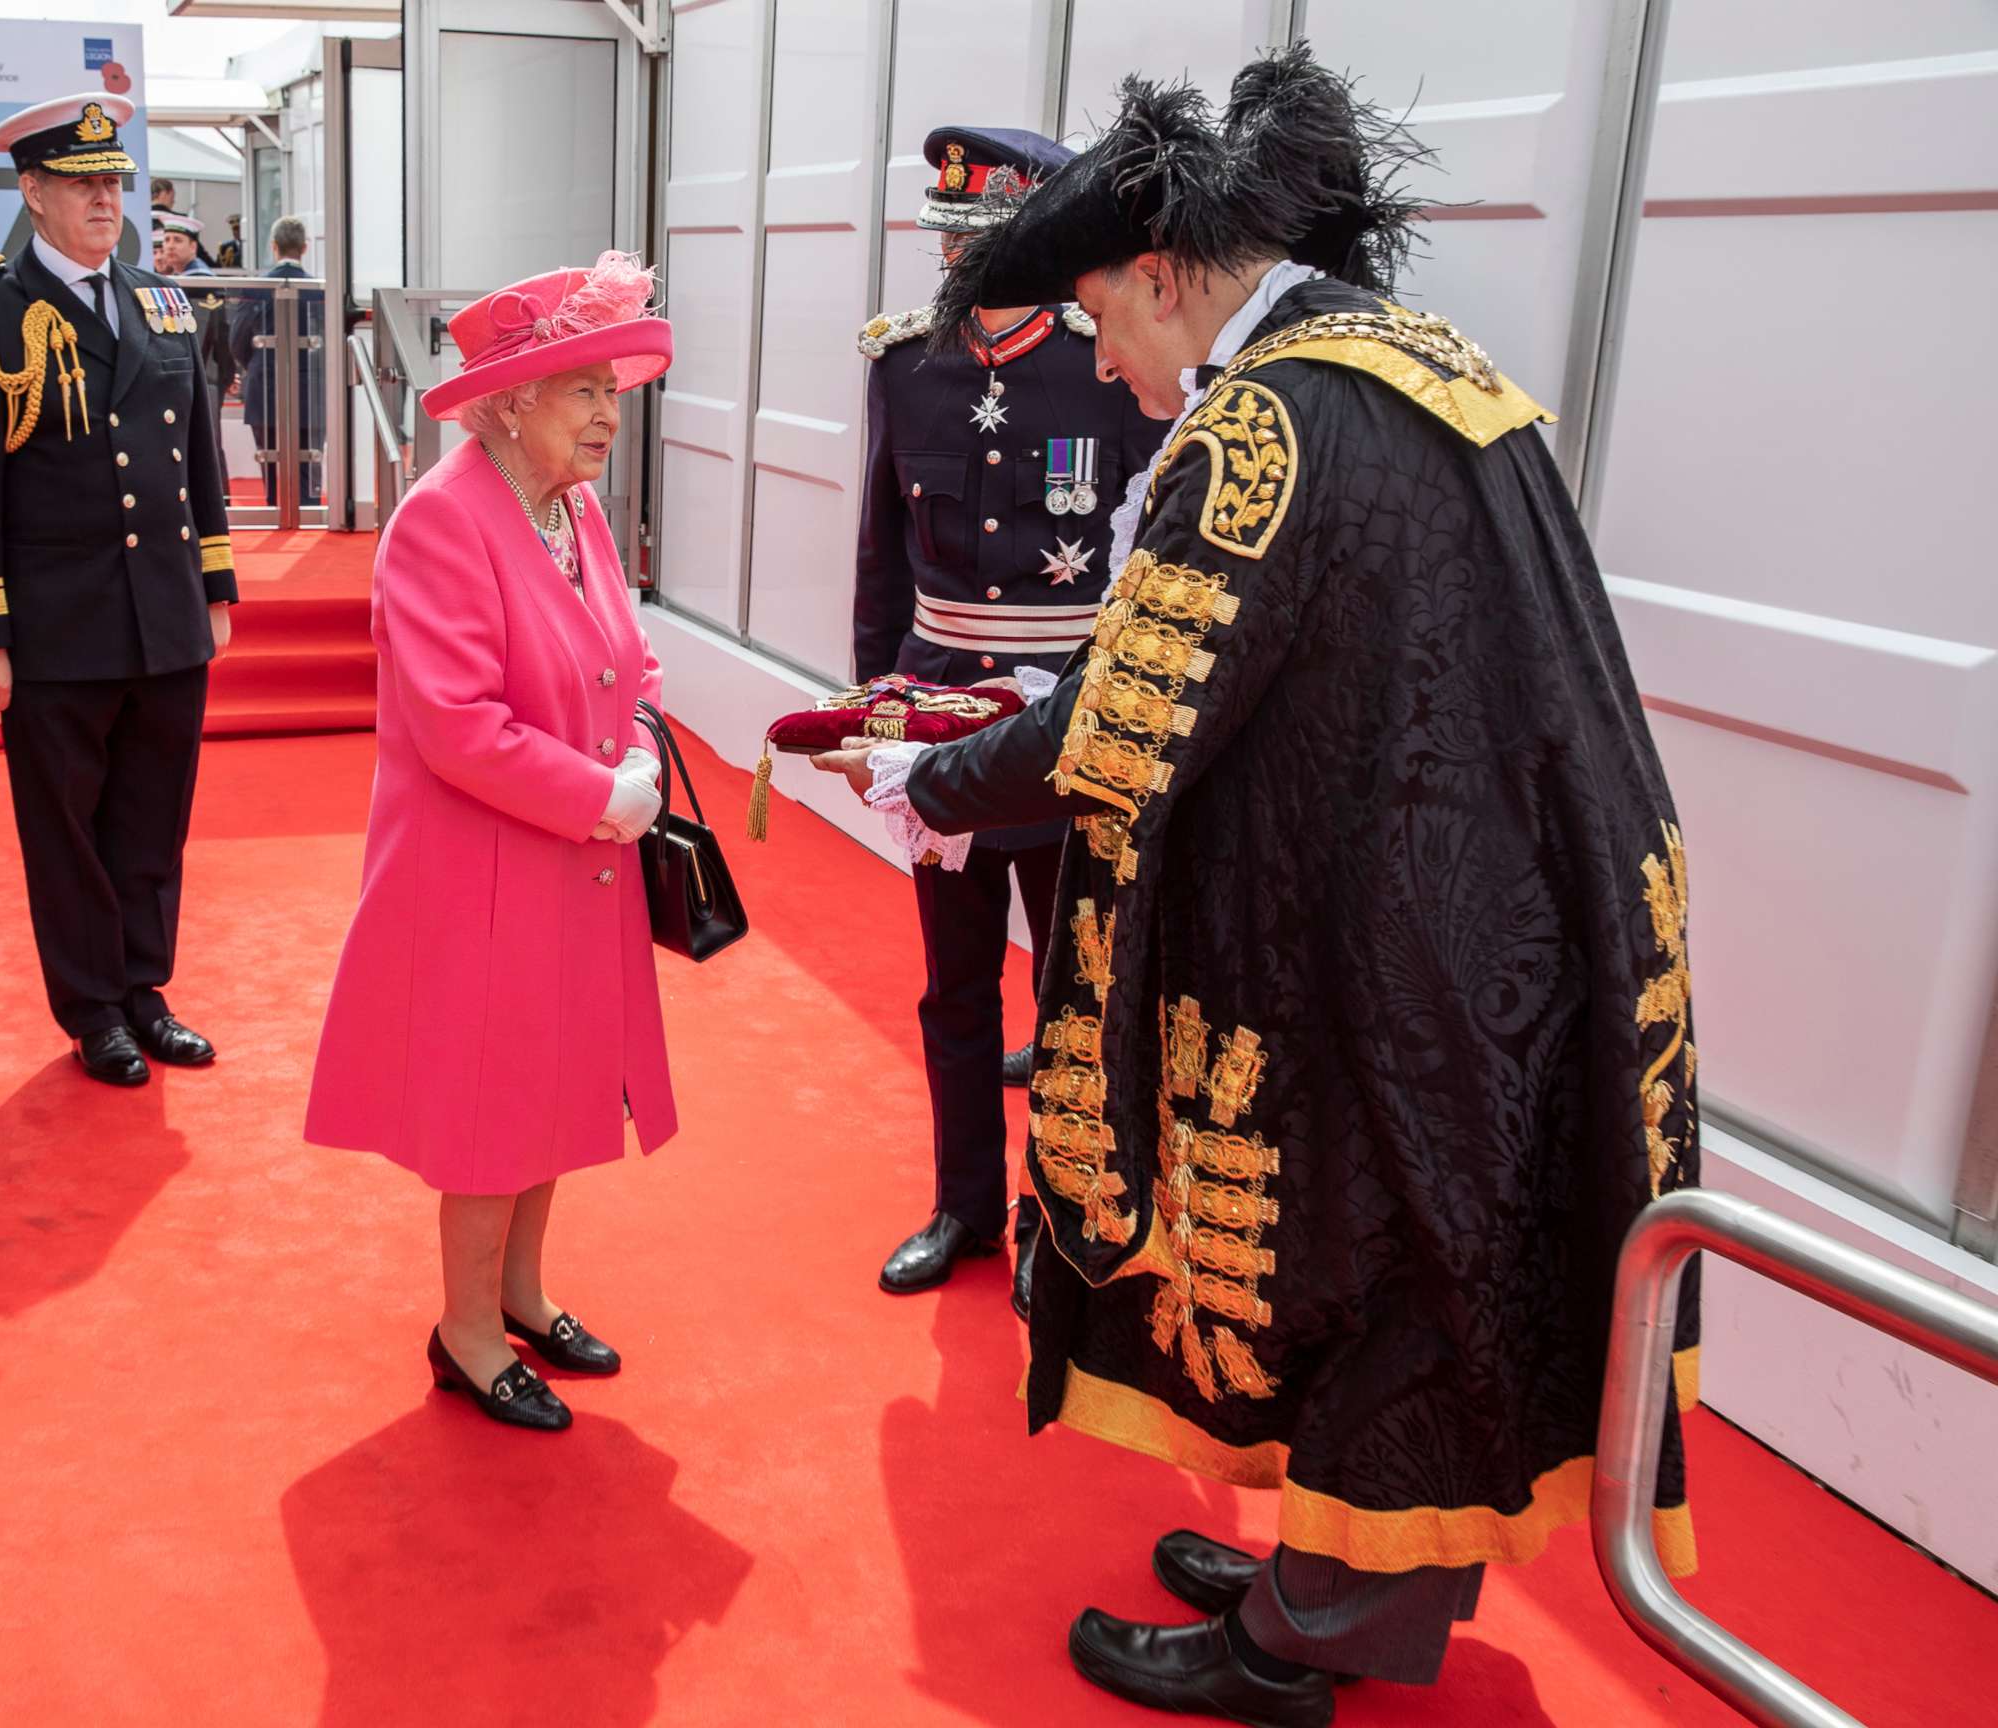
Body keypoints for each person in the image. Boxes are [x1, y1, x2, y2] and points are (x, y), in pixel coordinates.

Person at [815, 51, 1703, 1722]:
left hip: (1391, 932)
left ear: (1164, 276)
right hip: (1474, 900)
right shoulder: (1393, 350)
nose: (1108, 365)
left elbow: (1125, 714)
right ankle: (1338, 1561)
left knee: (1380, 1256)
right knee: (1414, 1252)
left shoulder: (1263, 424)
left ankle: (1301, 1637)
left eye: (1103, 322)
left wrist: (930, 780)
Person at [305, 253, 676, 1434]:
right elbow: (460, 729)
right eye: (589, 394)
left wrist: (648, 744)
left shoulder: (570, 509)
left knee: (557, 1082)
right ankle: (464, 1331)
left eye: (614, 393)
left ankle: (521, 1293)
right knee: (487, 1107)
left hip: (574, 859)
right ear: (514, 401)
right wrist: (603, 794)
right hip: (479, 873)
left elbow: (630, 656)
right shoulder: (439, 523)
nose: (612, 416)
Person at [858, 125, 1163, 1317]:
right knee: (953, 983)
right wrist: (878, 707)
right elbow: (882, 561)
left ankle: (1056, 1216)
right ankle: (964, 1206)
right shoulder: (904, 365)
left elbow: (1143, 562)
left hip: (1062, 720)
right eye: (948, 237)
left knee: (1068, 994)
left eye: (980, 240)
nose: (956, 260)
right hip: (941, 716)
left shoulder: (1103, 362)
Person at [0, 92, 236, 1085]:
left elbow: (200, 462)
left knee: (152, 818)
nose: (103, 199)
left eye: (112, 182)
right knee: (66, 831)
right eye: (78, 183)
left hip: (163, 614)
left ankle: (146, 990)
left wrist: (214, 586)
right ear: (32, 192)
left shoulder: (163, 301)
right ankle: (92, 1007)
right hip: (58, 623)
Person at [231, 213, 319, 506]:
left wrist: (252, 365)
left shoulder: (255, 287)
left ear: (274, 246)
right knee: (309, 456)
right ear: (304, 248)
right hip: (310, 385)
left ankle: (275, 507)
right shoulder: (319, 289)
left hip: (264, 381)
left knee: (270, 458)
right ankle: (307, 509)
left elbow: (238, 339)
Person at [152, 208, 236, 419]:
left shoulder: (201, 283)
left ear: (193, 246)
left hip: (201, 378)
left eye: (177, 240)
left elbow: (211, 338)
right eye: (167, 239)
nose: (169, 245)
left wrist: (226, 375)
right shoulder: (178, 279)